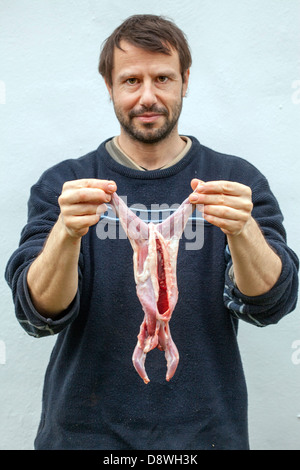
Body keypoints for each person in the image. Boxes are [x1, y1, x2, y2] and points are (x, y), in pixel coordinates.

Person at [5, 14, 299, 450]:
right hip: (81, 437)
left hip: (207, 438)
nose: (147, 96)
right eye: (130, 81)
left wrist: (243, 230)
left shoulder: (234, 182)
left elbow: (270, 304)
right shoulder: (67, 186)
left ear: (184, 81)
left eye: (162, 77)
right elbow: (38, 315)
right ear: (109, 86)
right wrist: (66, 235)